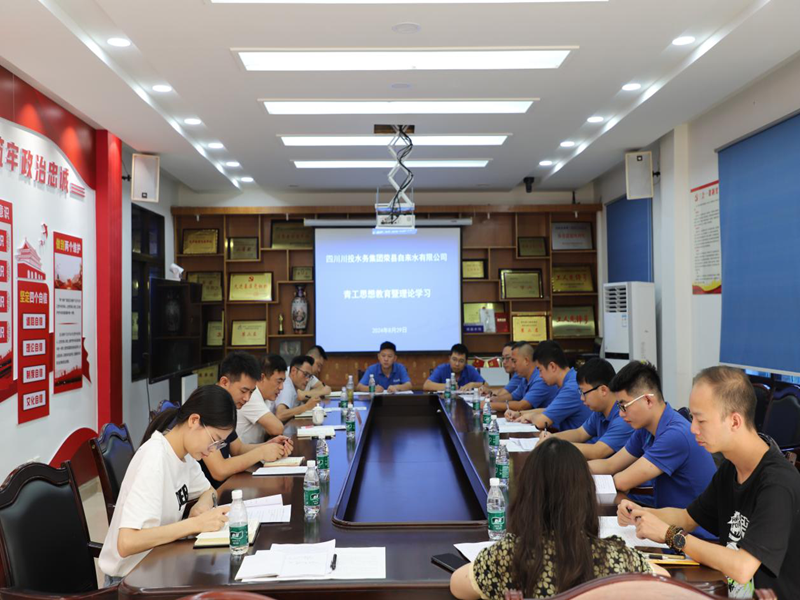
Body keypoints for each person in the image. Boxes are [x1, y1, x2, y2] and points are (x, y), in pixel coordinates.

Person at [619, 366, 800, 599]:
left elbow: (742, 567)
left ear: (734, 421)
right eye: (692, 418)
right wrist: (640, 513)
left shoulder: (777, 483)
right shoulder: (730, 468)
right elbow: (687, 518)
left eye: (701, 420)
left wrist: (670, 535)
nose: (693, 428)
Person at [450, 437, 667, 600]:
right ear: (586, 496)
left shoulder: (507, 556)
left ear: (527, 496)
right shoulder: (616, 558)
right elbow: (664, 582)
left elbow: (457, 585)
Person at [99, 385, 236, 583]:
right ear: (194, 421)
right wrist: (194, 524)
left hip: (159, 563)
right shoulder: (155, 459)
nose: (213, 450)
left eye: (219, 444)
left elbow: (209, 491)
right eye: (214, 440)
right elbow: (127, 542)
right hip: (129, 580)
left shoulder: (185, 456)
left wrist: (201, 506)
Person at [588, 361, 716, 513]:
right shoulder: (645, 430)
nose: (621, 414)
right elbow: (610, 464)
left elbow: (621, 482)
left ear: (648, 400)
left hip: (690, 526)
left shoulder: (675, 435)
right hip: (665, 517)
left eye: (624, 406)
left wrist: (578, 477)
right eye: (618, 407)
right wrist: (572, 468)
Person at [201, 351, 293, 488]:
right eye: (244, 391)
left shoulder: (227, 406)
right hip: (210, 491)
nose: (247, 398)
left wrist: (268, 445)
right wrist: (261, 452)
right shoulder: (207, 406)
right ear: (224, 382)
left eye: (251, 392)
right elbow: (219, 470)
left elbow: (238, 449)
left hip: (225, 486)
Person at [538, 358, 633, 460]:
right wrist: (551, 438)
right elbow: (580, 433)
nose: (582, 398)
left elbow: (596, 452)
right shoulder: (599, 411)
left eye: (584, 393)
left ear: (603, 390)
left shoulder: (623, 417)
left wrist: (555, 445)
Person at [507, 340, 590, 431]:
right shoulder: (570, 379)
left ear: (552, 366)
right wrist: (520, 414)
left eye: (540, 370)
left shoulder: (571, 388)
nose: (540, 375)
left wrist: (529, 416)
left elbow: (542, 422)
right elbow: (549, 410)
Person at [486, 342, 558, 413]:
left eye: (514, 361)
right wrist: (494, 400)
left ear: (526, 361)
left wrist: (489, 405)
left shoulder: (541, 379)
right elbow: (513, 396)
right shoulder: (525, 378)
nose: (513, 366)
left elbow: (522, 406)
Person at [236, 353, 288, 444]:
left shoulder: (266, 397)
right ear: (262, 377)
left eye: (283, 382)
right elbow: (277, 428)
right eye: (278, 381)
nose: (281, 387)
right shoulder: (251, 396)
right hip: (243, 451)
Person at [275, 355, 322, 421]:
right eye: (305, 374)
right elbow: (280, 414)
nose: (307, 380)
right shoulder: (287, 386)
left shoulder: (294, 385)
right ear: (293, 371)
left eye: (309, 376)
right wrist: (306, 407)